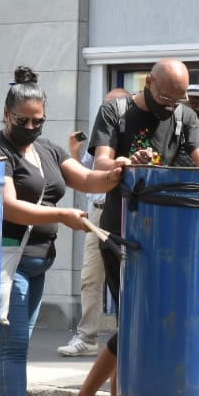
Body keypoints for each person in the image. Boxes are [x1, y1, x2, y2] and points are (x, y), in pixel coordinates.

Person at [54, 59, 199, 396]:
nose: (171, 106)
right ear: (148, 83)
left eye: (179, 98)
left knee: (143, 328)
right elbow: (100, 164)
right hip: (122, 232)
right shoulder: (116, 111)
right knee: (133, 325)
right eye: (165, 96)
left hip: (169, 236)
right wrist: (125, 164)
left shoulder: (184, 116)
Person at [0, 66, 127, 396]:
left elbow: (88, 179)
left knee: (13, 346)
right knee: (14, 349)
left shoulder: (48, 150)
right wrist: (62, 215)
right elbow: (9, 207)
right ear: (7, 116)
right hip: (8, 258)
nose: (31, 126)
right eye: (22, 120)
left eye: (38, 120)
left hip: (39, 260)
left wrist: (117, 172)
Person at [58, 87, 126, 358]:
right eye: (104, 108)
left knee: (123, 278)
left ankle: (126, 336)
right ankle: (87, 337)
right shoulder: (99, 137)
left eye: (112, 107)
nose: (106, 113)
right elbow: (86, 177)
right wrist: (75, 153)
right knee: (90, 278)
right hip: (97, 212)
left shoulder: (127, 136)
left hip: (119, 212)